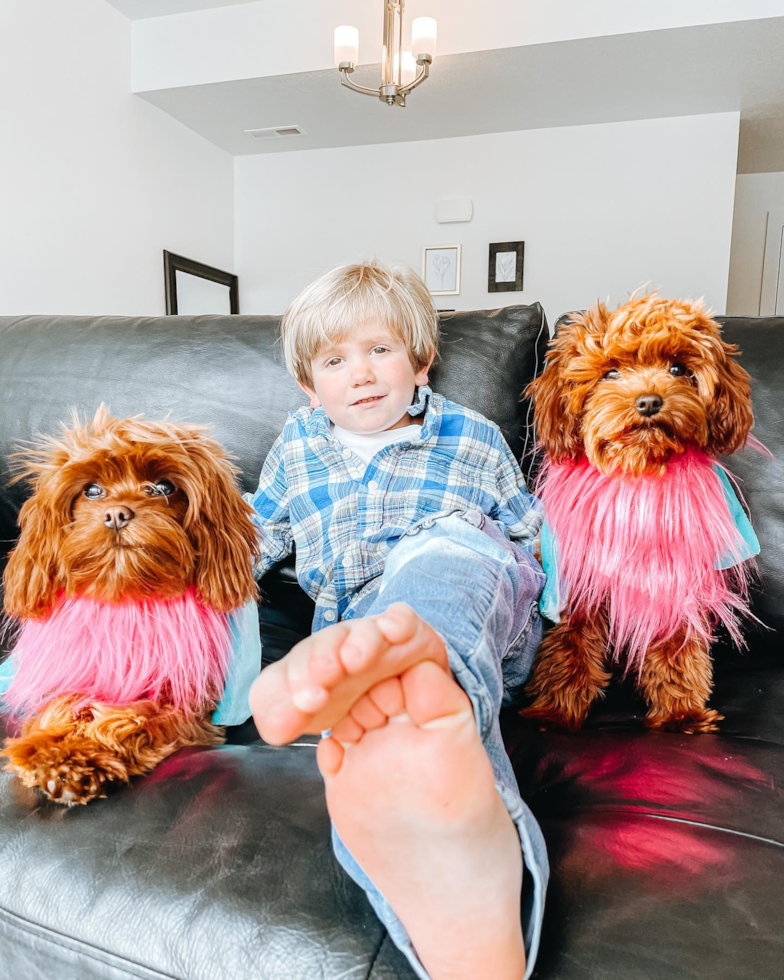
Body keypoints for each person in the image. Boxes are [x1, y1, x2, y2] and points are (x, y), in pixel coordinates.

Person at [246, 260, 547, 980]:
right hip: (358, 629)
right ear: (307, 383)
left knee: (443, 555)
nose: (362, 373)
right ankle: (456, 866)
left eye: (380, 349)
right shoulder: (297, 446)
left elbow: (531, 535)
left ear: (420, 357)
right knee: (375, 667)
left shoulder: (470, 436)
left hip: (471, 593)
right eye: (335, 359)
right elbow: (256, 539)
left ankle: (414, 688)